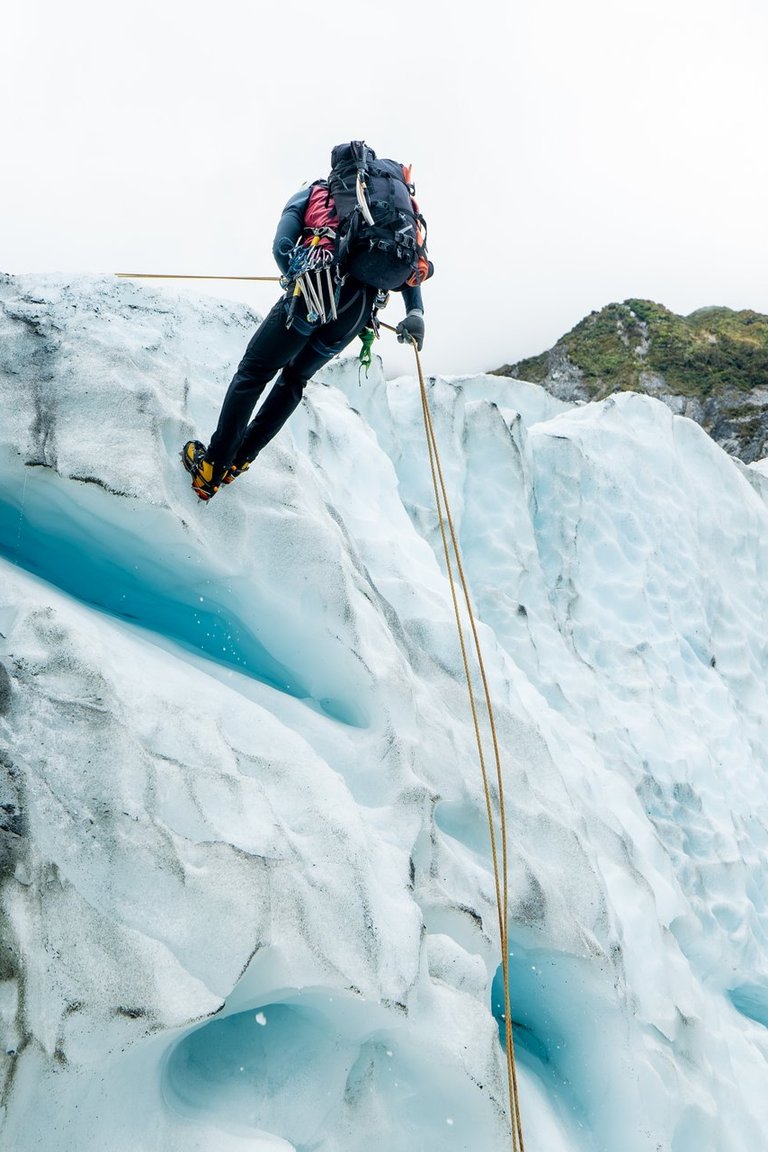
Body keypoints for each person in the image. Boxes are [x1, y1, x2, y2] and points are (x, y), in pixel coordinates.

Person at [182, 141, 431, 501]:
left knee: (253, 372)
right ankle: (238, 461)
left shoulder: (315, 191)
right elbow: (412, 268)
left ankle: (213, 466)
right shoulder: (391, 213)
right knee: (294, 381)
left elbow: (282, 246)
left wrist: (294, 279)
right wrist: (415, 312)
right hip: (356, 313)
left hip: (313, 293)